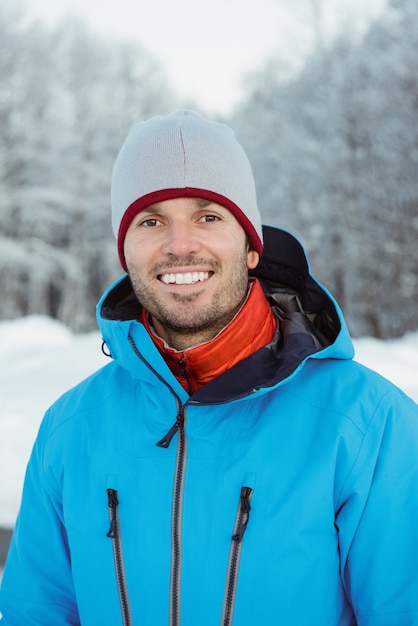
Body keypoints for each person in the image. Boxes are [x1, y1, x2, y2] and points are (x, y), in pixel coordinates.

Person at [1, 109, 418, 626]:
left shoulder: (370, 424)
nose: (180, 245)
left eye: (208, 217)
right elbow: (33, 612)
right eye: (151, 221)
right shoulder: (70, 429)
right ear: (125, 252)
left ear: (249, 249)